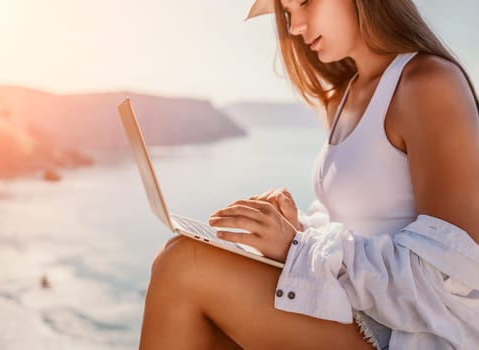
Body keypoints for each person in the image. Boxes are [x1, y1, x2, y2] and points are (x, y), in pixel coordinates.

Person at [139, 0, 479, 348]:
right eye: (287, 12)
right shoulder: (342, 98)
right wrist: (292, 229)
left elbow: (452, 270)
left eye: (304, 3)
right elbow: (351, 225)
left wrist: (298, 248)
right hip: (354, 308)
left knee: (184, 265)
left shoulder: (427, 82)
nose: (296, 26)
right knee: (187, 270)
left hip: (410, 336)